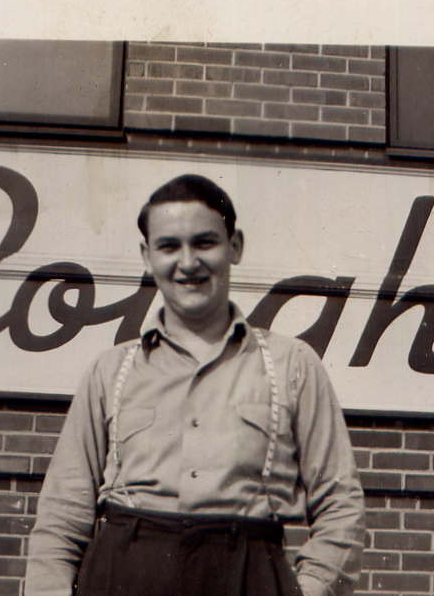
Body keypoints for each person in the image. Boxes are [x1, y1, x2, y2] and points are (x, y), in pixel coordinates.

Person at [25, 174, 366, 596]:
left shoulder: (292, 365)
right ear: (147, 256)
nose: (188, 263)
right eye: (169, 246)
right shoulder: (110, 371)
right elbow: (62, 512)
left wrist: (310, 589)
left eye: (205, 243)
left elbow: (340, 504)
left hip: (246, 575)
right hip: (123, 576)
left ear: (234, 246)